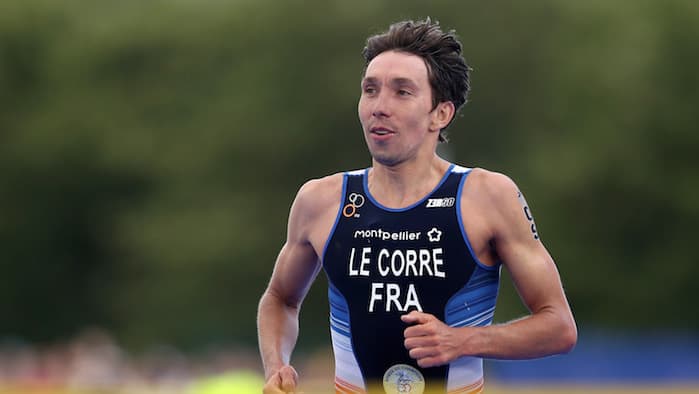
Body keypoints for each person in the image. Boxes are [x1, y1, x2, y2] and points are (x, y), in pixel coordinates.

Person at [257, 18, 577, 394]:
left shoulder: (488, 196)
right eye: (370, 90)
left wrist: (464, 340)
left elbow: (558, 326)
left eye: (402, 92)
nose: (379, 107)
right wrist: (277, 364)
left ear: (441, 113)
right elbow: (280, 299)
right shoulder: (320, 200)